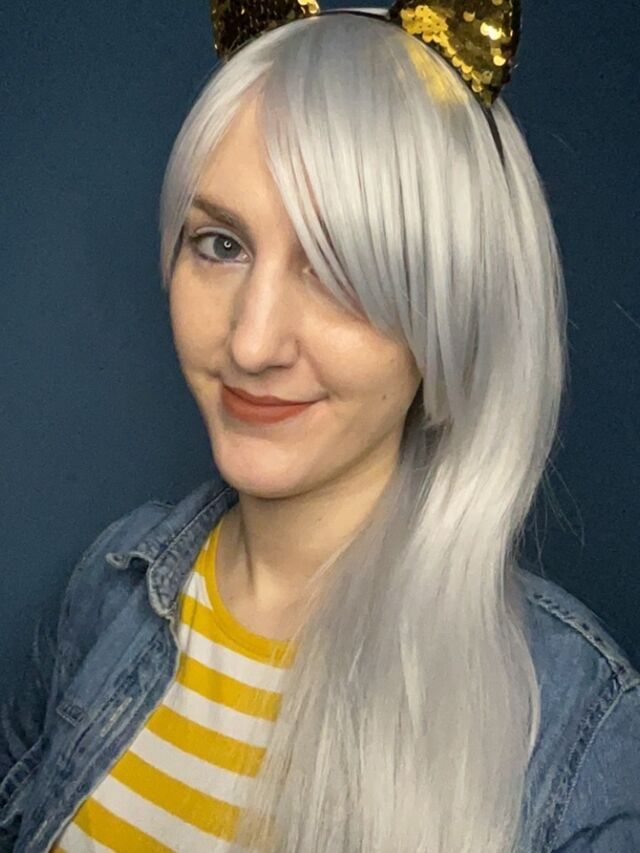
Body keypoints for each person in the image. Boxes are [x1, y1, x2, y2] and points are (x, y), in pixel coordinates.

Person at [1, 4, 639, 852]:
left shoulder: (579, 733)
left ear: (448, 320)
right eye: (220, 244)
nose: (252, 342)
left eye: (339, 268)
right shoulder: (108, 588)